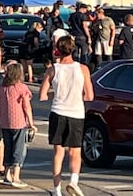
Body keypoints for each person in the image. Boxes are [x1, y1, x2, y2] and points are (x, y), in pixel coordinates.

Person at [39, 35, 94, 196]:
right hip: (76, 113)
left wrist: (55, 93)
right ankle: (74, 181)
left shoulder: (53, 69)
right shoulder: (82, 69)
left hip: (58, 111)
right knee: (75, 152)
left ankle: (56, 189)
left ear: (58, 50)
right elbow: (89, 96)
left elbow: (42, 95)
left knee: (58, 152)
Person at [0, 63, 36, 188]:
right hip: (18, 122)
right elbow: (26, 106)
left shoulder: (2, 88)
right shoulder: (21, 88)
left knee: (8, 147)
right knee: (18, 149)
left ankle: (7, 174)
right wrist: (31, 123)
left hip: (5, 122)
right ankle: (16, 176)